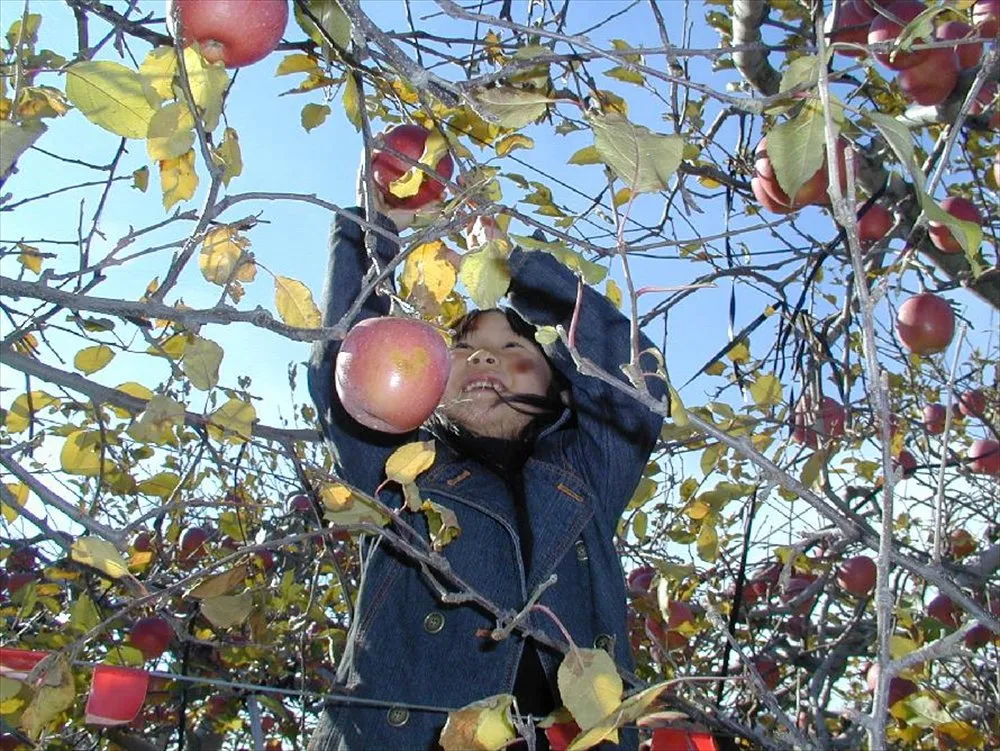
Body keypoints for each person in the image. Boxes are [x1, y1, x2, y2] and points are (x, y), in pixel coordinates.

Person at [305, 163, 666, 750]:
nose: (483, 358)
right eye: (462, 348)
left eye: (512, 346)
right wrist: (374, 231)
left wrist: (515, 268)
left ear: (563, 386)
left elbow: (636, 387)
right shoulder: (403, 466)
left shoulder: (585, 474)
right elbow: (351, 366)